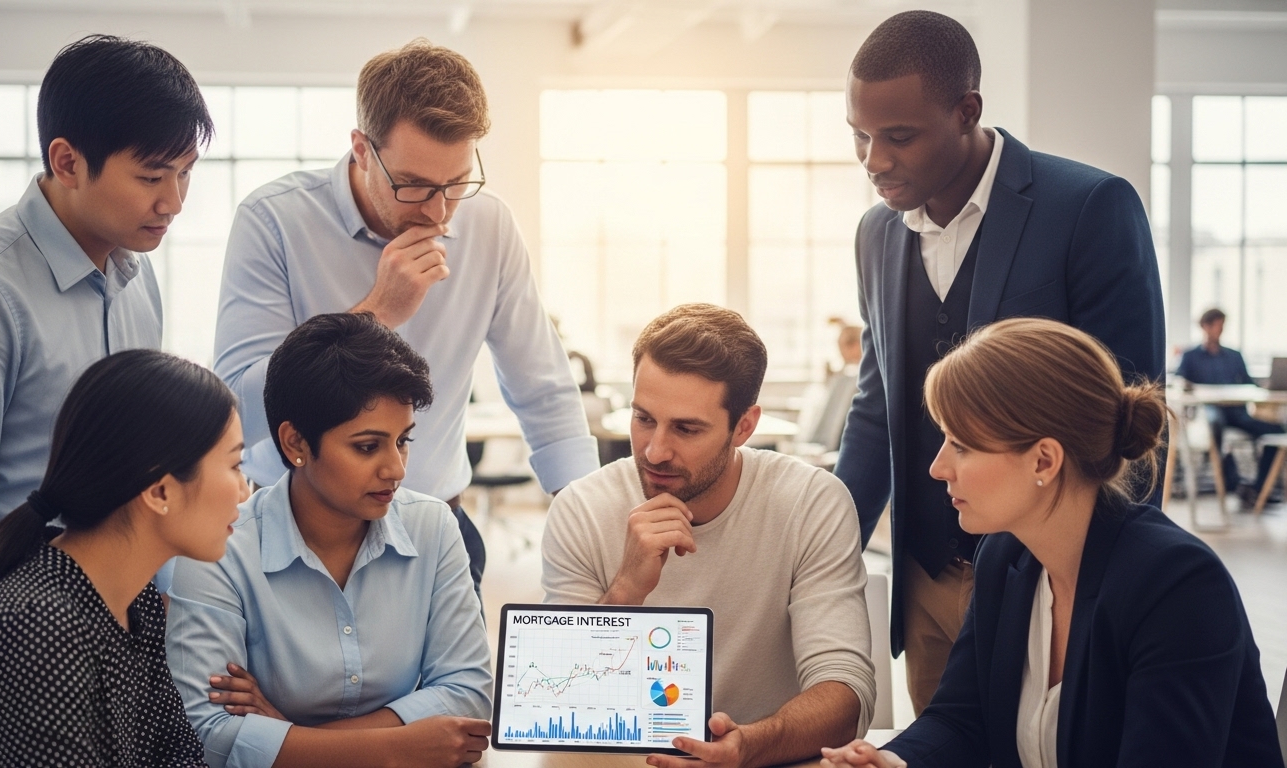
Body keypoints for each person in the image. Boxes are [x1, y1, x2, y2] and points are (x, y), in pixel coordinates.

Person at [834, 10, 1164, 714]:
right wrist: (828, 552)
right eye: (860, 135)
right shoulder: (875, 234)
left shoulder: (1088, 207)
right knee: (941, 745)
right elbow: (877, 406)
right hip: (925, 578)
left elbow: (1129, 415)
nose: (874, 160)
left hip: (1052, 575)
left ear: (966, 111)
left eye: (899, 136)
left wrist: (1120, 584)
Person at [214, 39, 598, 593]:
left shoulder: (490, 225)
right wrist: (375, 314)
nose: (438, 212)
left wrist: (590, 523)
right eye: (413, 184)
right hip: (294, 539)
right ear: (361, 150)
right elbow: (235, 412)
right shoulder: (273, 221)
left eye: (456, 184)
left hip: (439, 533)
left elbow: (544, 389)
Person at [0, 34, 212, 685]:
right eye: (152, 176)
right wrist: (14, 664)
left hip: (93, 615)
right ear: (67, 161)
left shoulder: (134, 275)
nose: (174, 201)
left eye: (185, 173)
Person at [819, 318, 1283, 768]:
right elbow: (959, 719)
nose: (938, 468)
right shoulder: (1004, 556)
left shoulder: (1176, 586)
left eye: (961, 445)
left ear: (1043, 460)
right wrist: (892, 760)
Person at [542, 304, 876, 768]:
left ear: (744, 426)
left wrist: (749, 746)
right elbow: (554, 704)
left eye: (686, 428)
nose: (655, 451)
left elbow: (845, 694)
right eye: (643, 419)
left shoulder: (811, 502)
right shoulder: (581, 509)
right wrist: (625, 592)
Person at [0, 349, 249, 766]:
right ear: (160, 490)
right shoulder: (38, 630)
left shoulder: (135, 601)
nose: (244, 491)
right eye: (235, 466)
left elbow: (178, 756)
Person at [168, 313, 492, 768]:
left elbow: (469, 694)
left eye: (403, 440)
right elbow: (207, 736)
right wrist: (399, 747)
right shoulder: (219, 551)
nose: (396, 469)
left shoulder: (433, 525)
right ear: (295, 443)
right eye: (367, 446)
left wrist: (289, 738)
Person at [1178, 308, 1284, 503]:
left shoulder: (1234, 356)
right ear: (1204, 326)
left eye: (1222, 326)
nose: (1219, 330)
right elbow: (1179, 383)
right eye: (1216, 325)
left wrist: (1268, 386)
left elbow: (1249, 384)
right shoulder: (1190, 356)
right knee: (1214, 423)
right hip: (1208, 412)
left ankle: (1259, 490)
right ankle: (1229, 480)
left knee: (1276, 430)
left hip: (1236, 413)